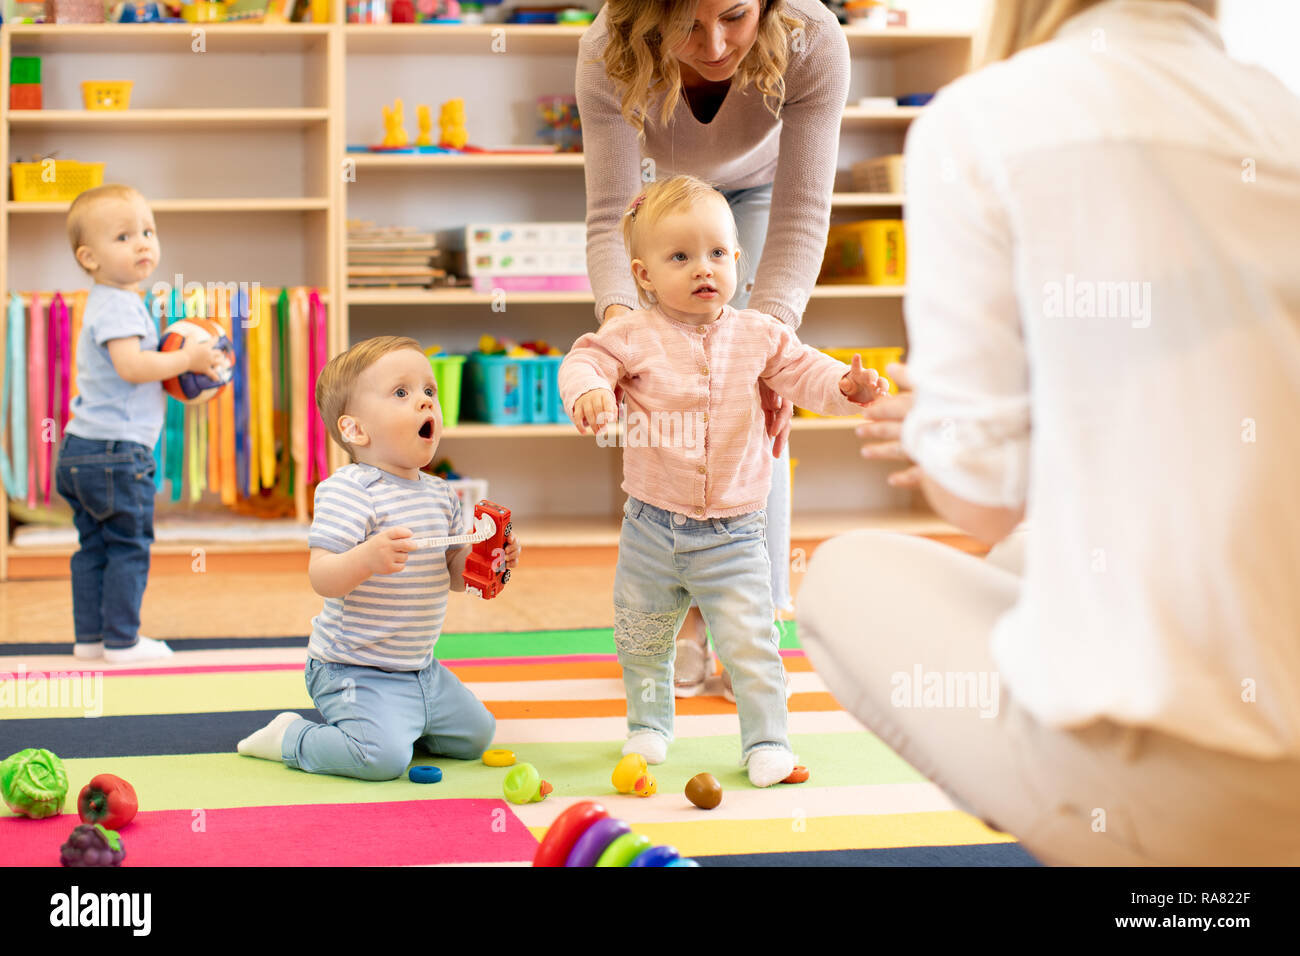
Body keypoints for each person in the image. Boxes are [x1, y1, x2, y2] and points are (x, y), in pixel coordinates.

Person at [797, 0, 1300, 864]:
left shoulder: (984, 121)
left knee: (839, 576)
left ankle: (1123, 852)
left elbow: (981, 501)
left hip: (1201, 794)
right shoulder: (1279, 114)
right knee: (1027, 564)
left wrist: (939, 430)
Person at [559, 175, 889, 787]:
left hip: (736, 533)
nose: (702, 268)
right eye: (679, 257)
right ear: (644, 275)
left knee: (752, 644)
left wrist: (847, 387)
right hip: (651, 527)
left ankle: (767, 741)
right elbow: (585, 359)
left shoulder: (760, 335)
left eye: (716, 253)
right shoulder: (632, 334)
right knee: (640, 636)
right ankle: (649, 725)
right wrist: (591, 392)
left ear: (738, 260)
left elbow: (806, 372)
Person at [576, 0, 849, 696]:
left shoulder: (813, 40)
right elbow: (611, 216)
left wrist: (766, 356)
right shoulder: (607, 45)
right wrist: (620, 328)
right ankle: (679, 618)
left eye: (734, 16)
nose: (716, 44)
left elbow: (801, 213)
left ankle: (750, 623)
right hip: (652, 200)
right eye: (688, 26)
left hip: (757, 198)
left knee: (756, 399)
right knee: (665, 389)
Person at [237, 336, 521, 779]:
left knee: (477, 738)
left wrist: (489, 559)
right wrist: (367, 558)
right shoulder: (349, 490)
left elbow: (451, 572)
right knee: (381, 760)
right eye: (402, 393)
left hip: (421, 668)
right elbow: (323, 576)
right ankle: (291, 737)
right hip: (351, 670)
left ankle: (401, 721)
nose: (426, 403)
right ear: (355, 430)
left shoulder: (441, 493)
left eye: (430, 391)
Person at [56, 184, 223, 664]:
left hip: (81, 450)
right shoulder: (119, 304)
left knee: (93, 547)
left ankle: (90, 639)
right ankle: (122, 641)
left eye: (148, 231)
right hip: (115, 453)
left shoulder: (112, 301)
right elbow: (132, 366)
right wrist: (188, 358)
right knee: (129, 544)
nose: (144, 243)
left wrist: (178, 371)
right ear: (89, 257)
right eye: (125, 236)